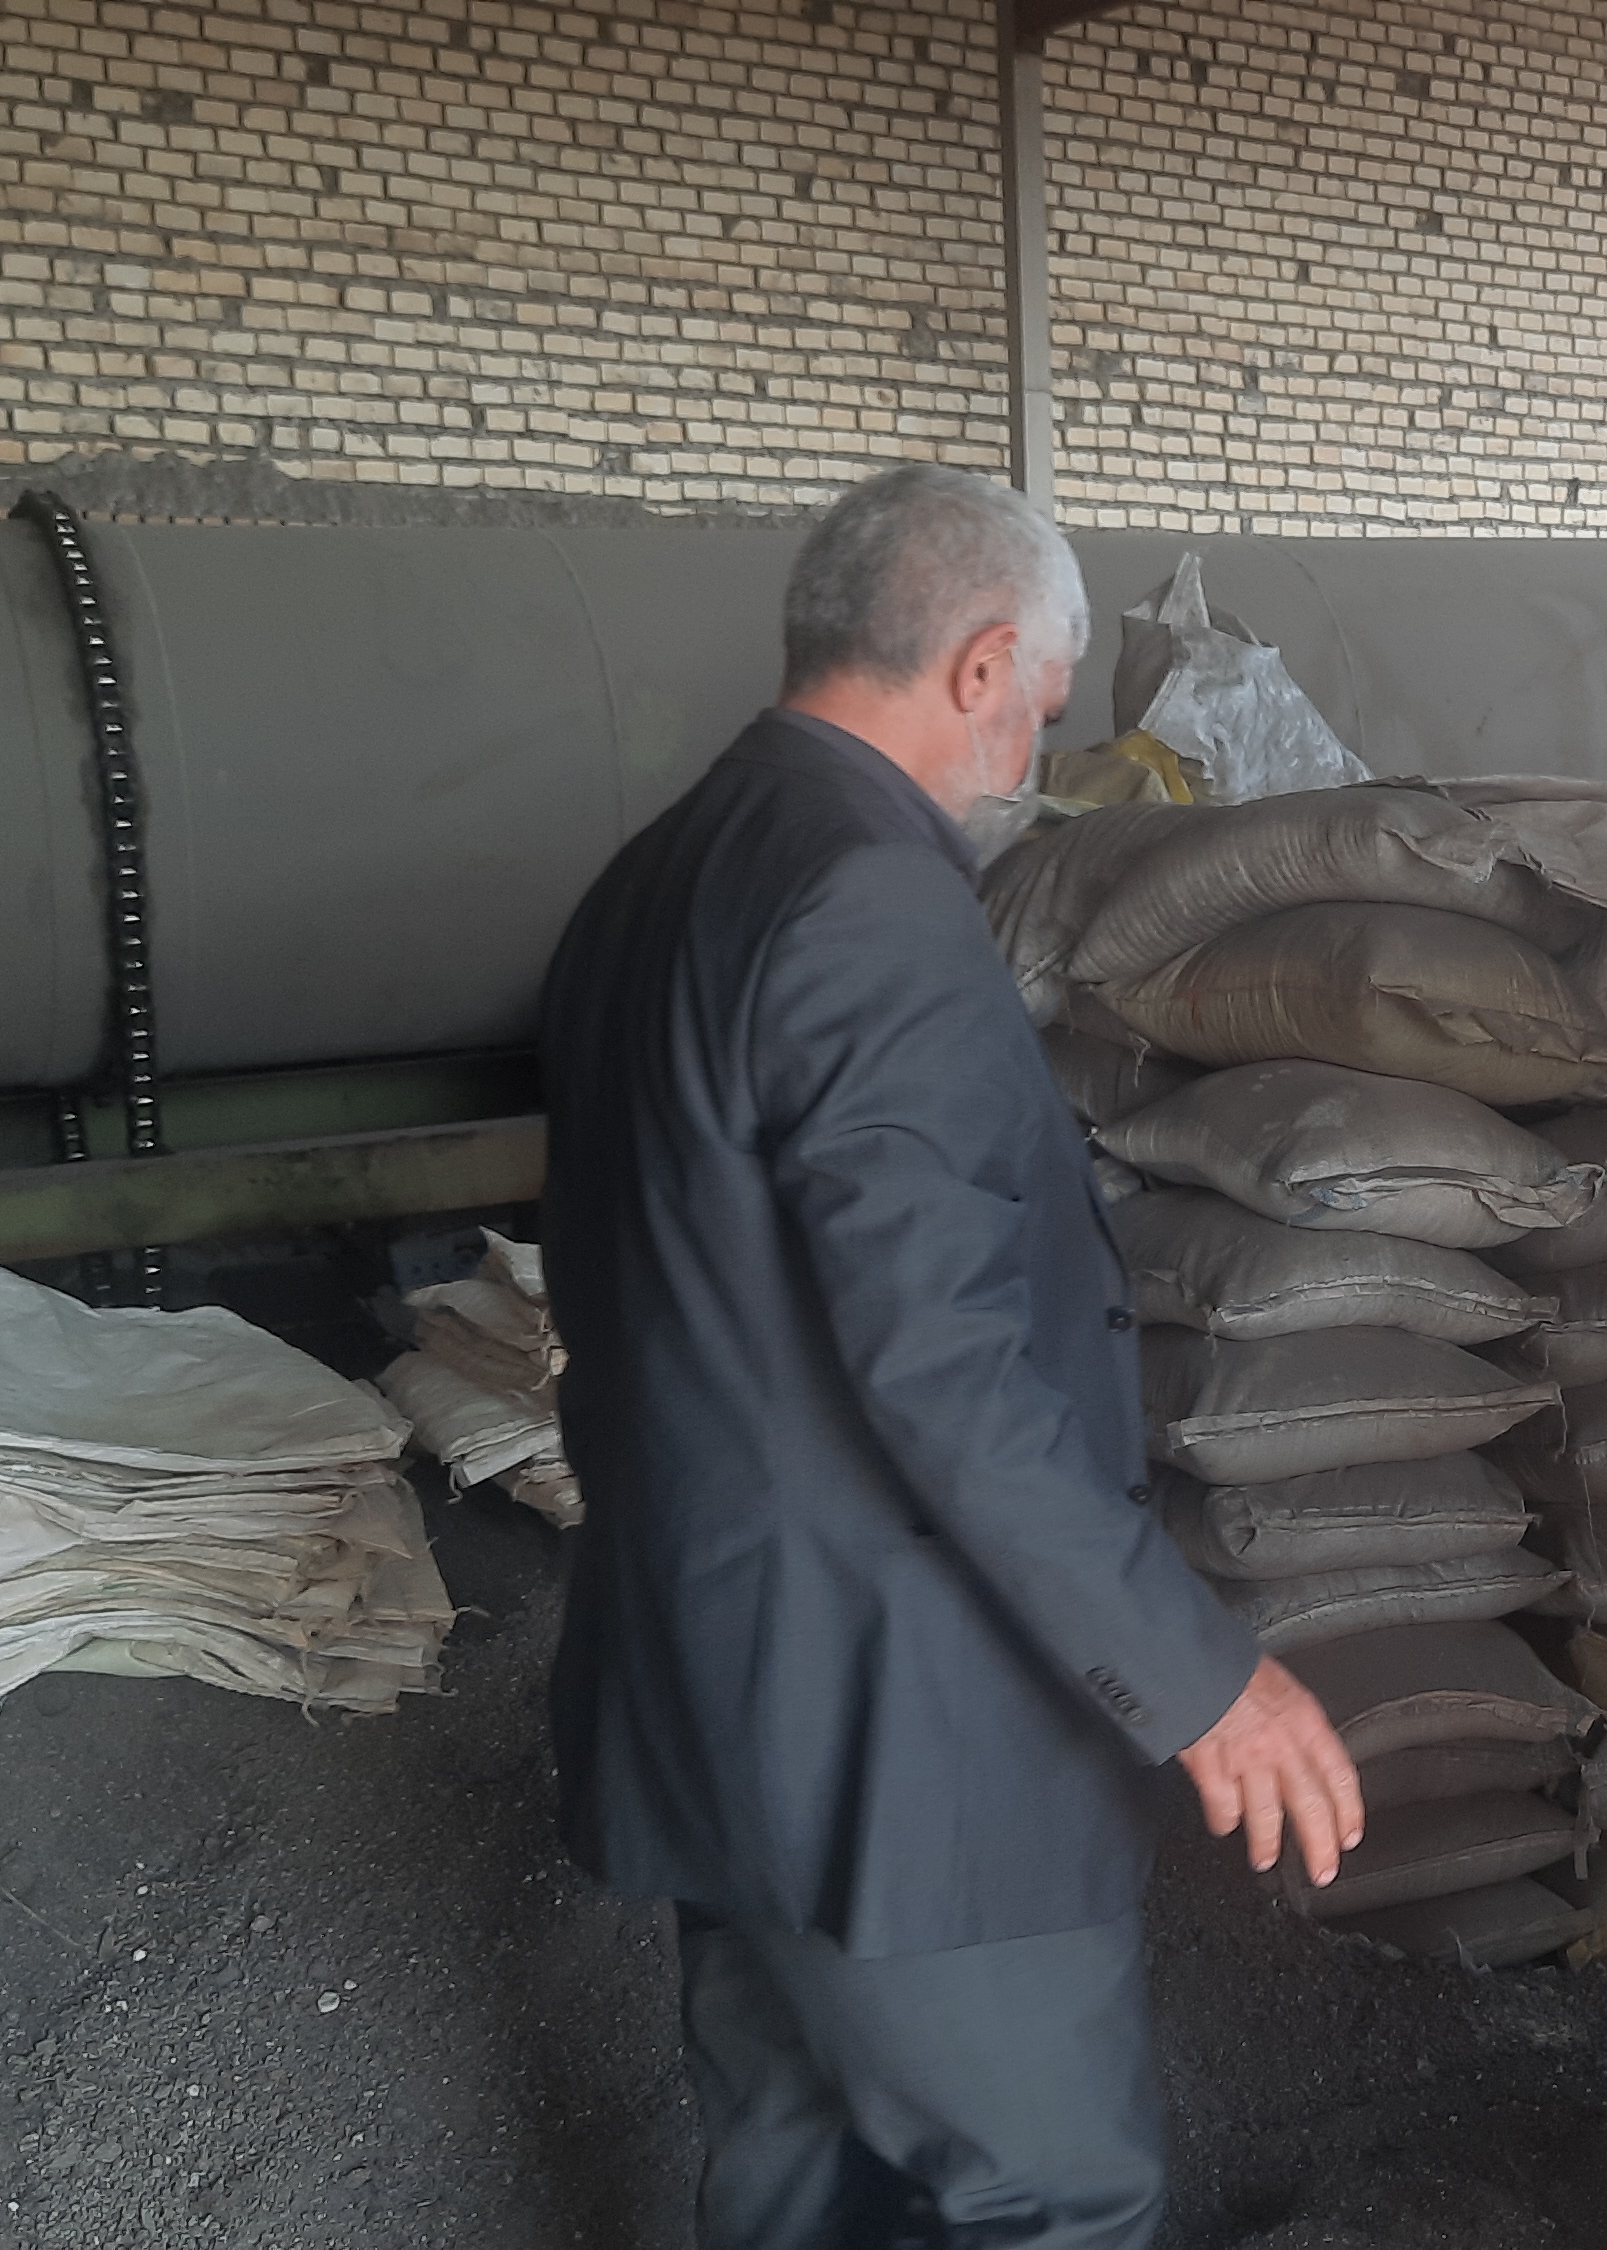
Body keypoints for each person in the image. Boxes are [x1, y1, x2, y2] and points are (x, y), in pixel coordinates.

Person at [537, 463, 1363, 2250]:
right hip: (894, 1740)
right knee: (1053, 2194)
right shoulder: (870, 901)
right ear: (981, 664)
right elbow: (945, 1370)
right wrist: (1202, 1679)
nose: (1032, 749)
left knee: (793, 2174)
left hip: (711, 1679)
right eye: (1044, 705)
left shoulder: (650, 879)